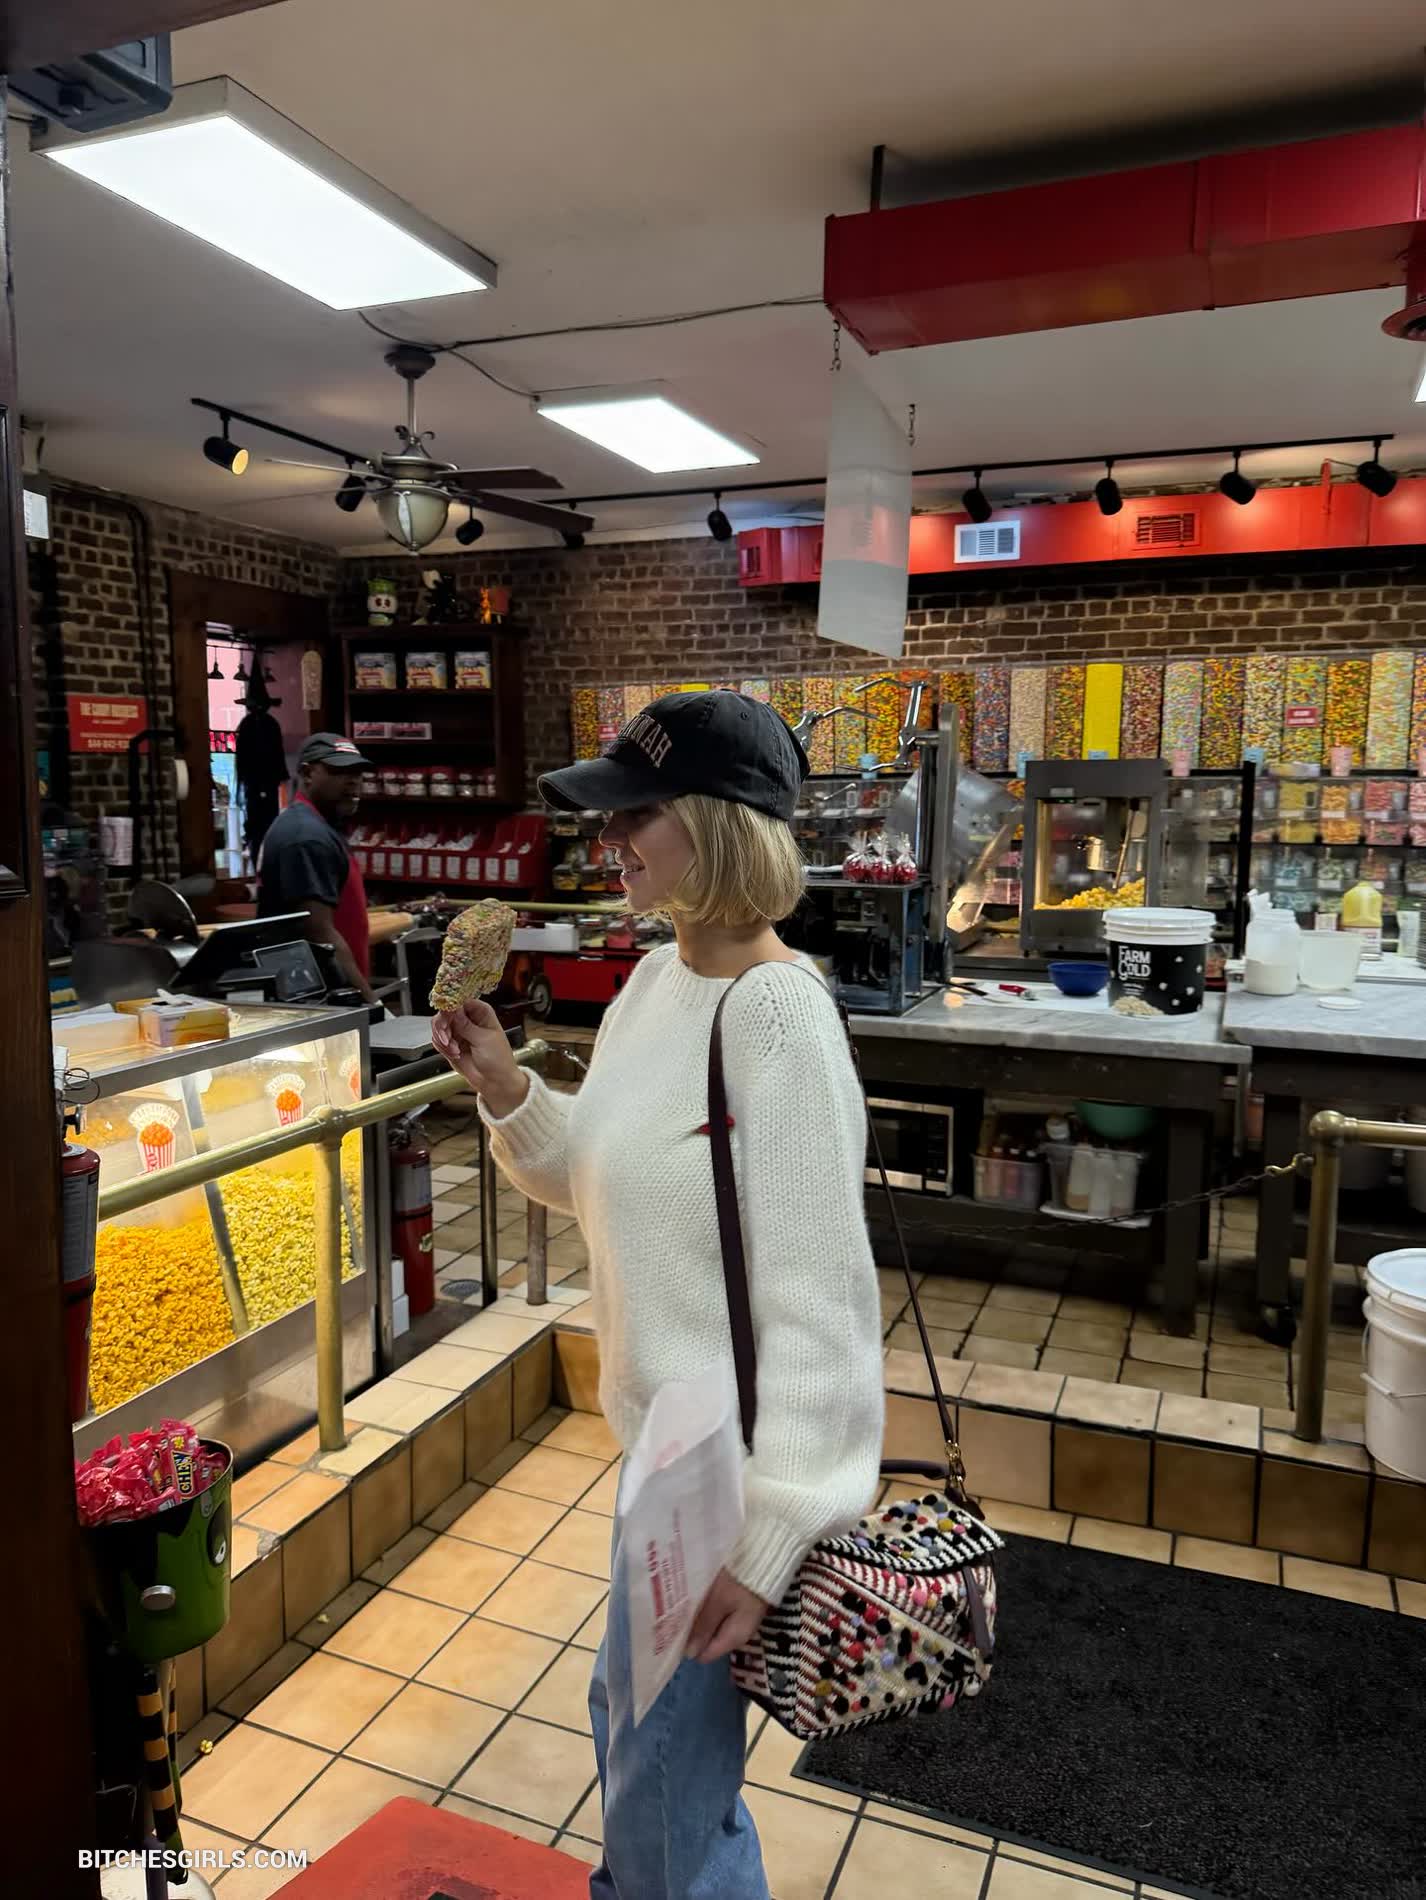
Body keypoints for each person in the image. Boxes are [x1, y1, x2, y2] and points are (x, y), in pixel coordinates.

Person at [433, 691, 884, 1900]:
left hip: (723, 1477)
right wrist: (507, 1088)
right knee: (636, 1735)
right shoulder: (650, 982)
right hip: (664, 1457)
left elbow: (822, 1302)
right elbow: (600, 1183)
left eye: (637, 814)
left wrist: (774, 1528)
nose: (608, 839)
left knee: (665, 1788)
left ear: (718, 824)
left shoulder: (778, 1015)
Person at [256, 732, 375, 1003]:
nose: (354, 781)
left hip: (329, 993)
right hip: (319, 998)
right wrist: (371, 1003)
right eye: (339, 771)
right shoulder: (306, 836)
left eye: (358, 773)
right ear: (308, 773)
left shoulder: (316, 826)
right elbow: (319, 932)